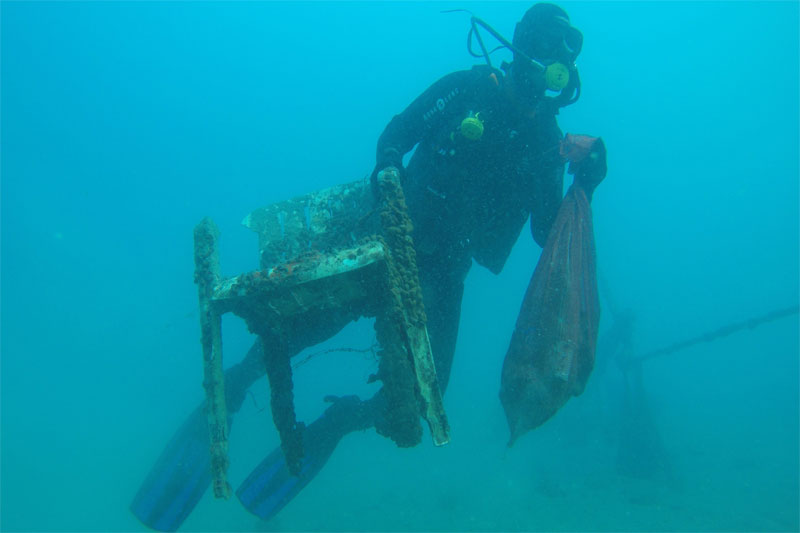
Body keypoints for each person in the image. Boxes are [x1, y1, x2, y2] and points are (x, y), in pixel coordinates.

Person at [131, 4, 607, 530]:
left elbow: (546, 232)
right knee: (302, 331)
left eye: (558, 58)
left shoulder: (547, 141)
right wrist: (387, 179)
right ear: (519, 46)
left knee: (431, 392)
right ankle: (239, 383)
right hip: (385, 239)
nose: (547, 69)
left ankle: (339, 420)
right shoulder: (468, 89)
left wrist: (585, 182)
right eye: (540, 48)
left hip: (447, 272)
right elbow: (398, 132)